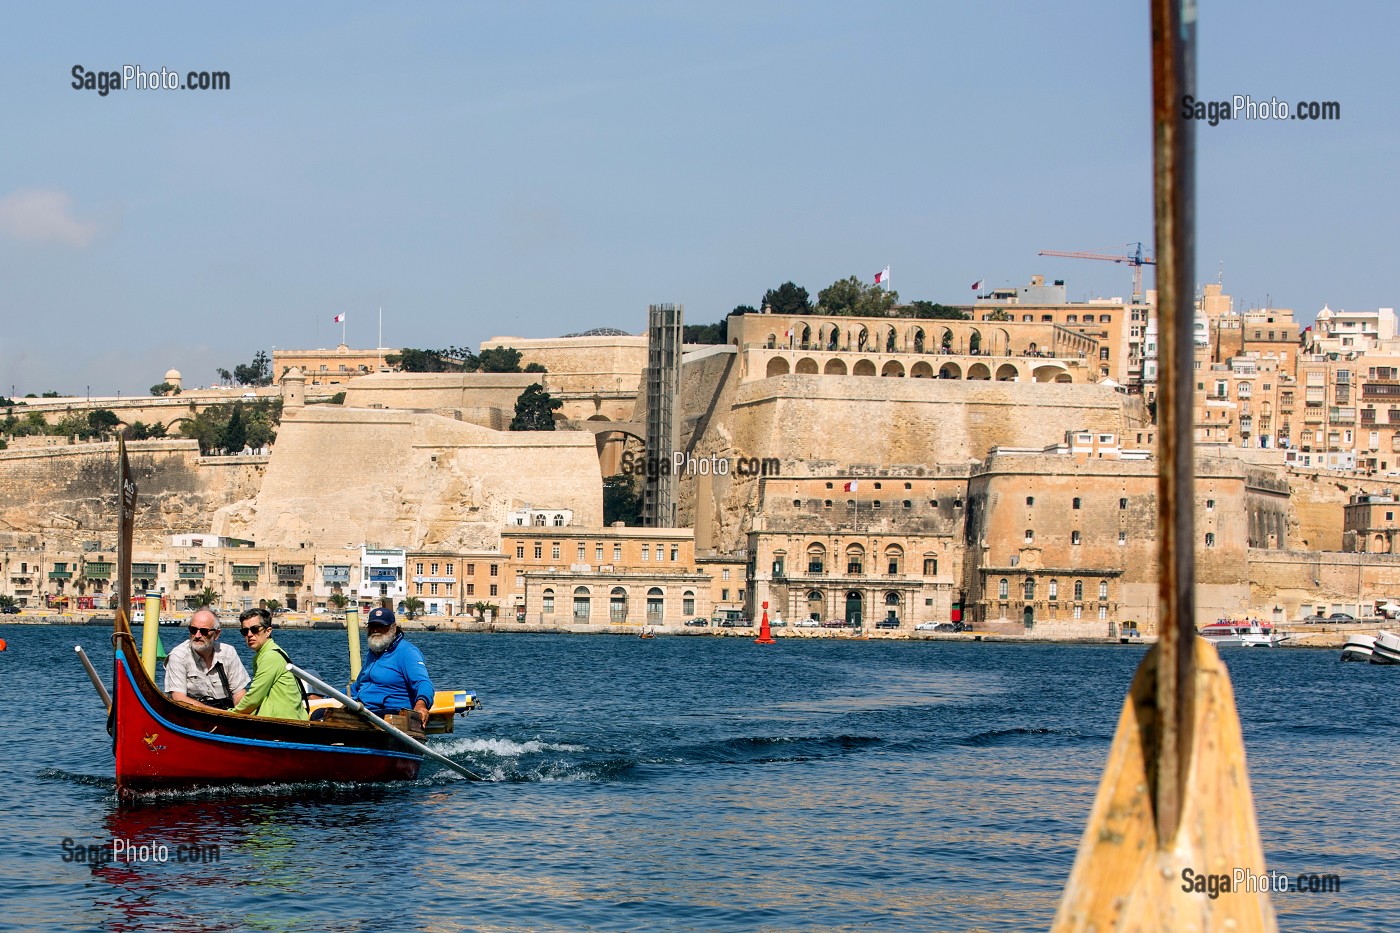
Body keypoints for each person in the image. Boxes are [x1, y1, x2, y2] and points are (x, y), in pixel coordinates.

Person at [350, 607, 434, 729]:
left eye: (381, 626)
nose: (376, 630)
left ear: (393, 628)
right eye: (372, 626)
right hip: (364, 710)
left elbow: (423, 683)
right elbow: (357, 687)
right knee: (319, 714)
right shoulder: (373, 653)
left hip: (390, 714)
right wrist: (325, 697)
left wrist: (421, 705)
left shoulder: (407, 652)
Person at [231, 608, 309, 721]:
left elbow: (254, 698)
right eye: (244, 631)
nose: (249, 634)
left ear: (268, 631)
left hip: (283, 723)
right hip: (284, 720)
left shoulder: (270, 656)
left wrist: (231, 713)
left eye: (254, 629)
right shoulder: (269, 653)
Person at [164, 608, 250, 711]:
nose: (197, 635)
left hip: (227, 715)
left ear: (216, 634)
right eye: (193, 630)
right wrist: (219, 713)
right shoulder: (178, 655)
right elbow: (179, 699)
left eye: (204, 631)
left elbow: (239, 694)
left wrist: (238, 715)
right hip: (190, 716)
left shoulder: (228, 653)